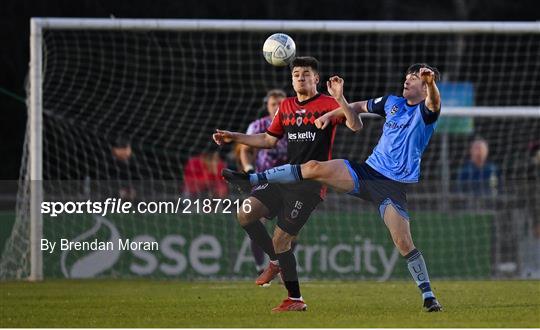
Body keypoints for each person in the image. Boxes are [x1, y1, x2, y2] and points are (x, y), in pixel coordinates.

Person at [223, 63, 443, 312]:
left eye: (414, 78)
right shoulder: (392, 102)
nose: (407, 80)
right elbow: (360, 107)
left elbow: (434, 102)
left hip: (391, 186)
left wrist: (431, 82)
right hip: (365, 172)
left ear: (425, 88)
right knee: (315, 166)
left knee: (403, 242)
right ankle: (252, 179)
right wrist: (335, 107)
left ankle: (428, 296)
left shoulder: (427, 111)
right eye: (407, 76)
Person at [213, 56, 359, 312]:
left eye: (305, 74)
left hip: (311, 184)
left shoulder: (328, 103)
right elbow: (269, 140)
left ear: (316, 79)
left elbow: (355, 125)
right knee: (245, 213)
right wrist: (234, 136)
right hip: (284, 178)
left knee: (282, 240)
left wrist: (340, 98)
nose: (300, 78)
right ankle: (274, 260)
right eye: (296, 74)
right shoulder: (287, 106)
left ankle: (295, 299)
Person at [238, 89, 289, 278]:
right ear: (267, 106)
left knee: (289, 229)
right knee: (252, 217)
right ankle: (262, 267)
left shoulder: (293, 124)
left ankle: (284, 268)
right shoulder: (258, 125)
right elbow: (245, 150)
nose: (277, 107)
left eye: (280, 104)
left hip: (289, 181)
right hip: (263, 180)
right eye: (273, 104)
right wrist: (249, 170)